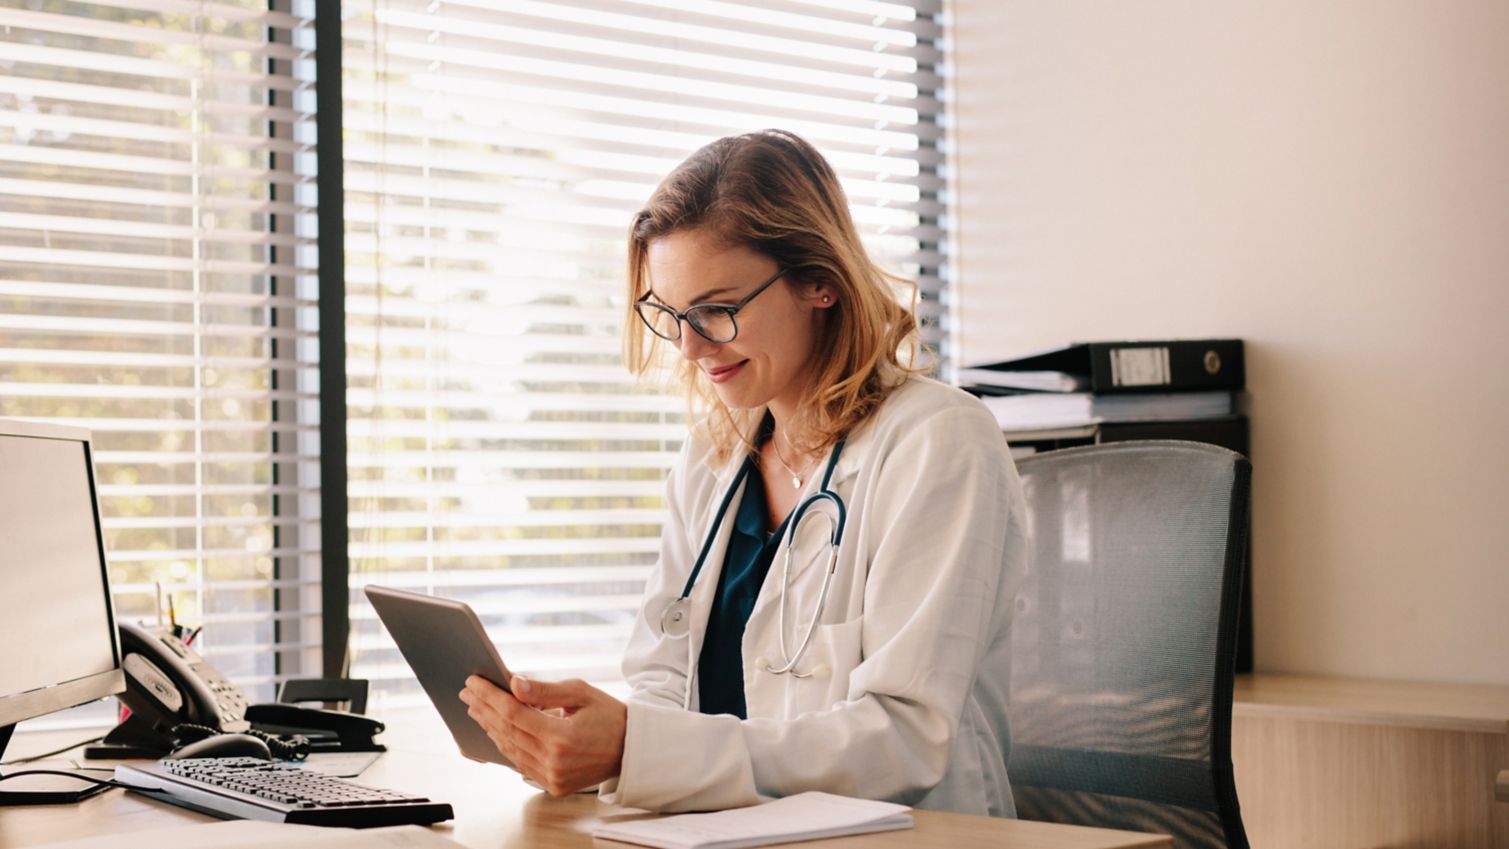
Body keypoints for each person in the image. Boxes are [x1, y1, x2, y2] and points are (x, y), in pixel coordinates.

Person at [458, 129, 1027, 816]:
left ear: (819, 281)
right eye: (669, 314)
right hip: (727, 831)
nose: (690, 345)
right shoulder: (712, 456)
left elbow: (903, 739)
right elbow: (662, 682)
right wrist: (590, 743)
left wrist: (639, 749)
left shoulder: (937, 440)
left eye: (715, 309)